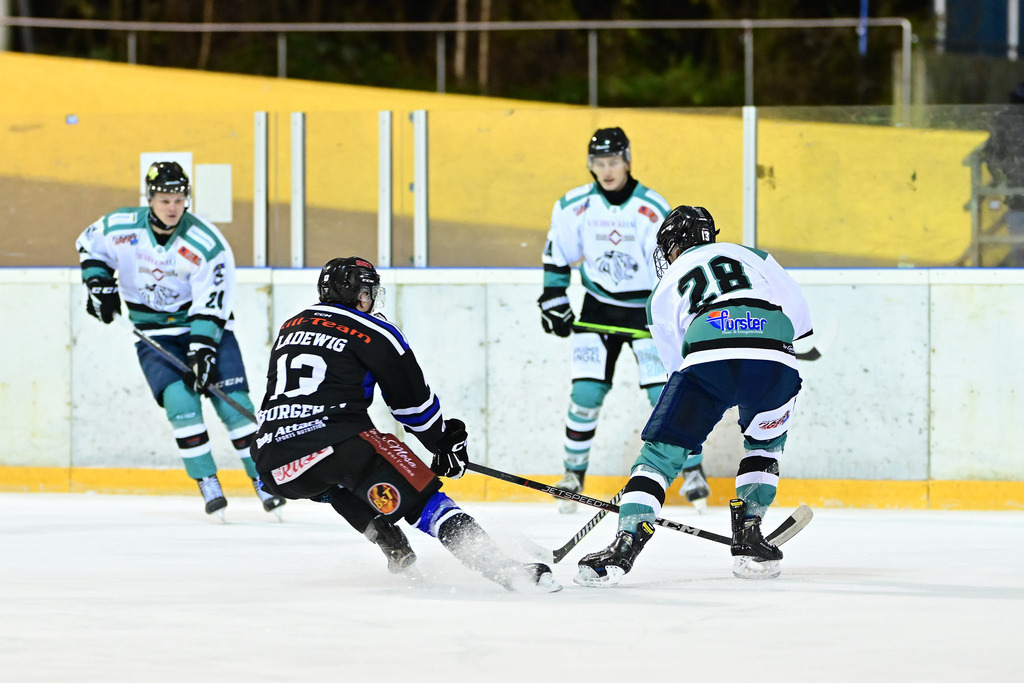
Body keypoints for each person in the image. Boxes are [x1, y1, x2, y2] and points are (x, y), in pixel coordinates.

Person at [250, 256, 562, 592]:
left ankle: (388, 539)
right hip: (337, 445)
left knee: (340, 483)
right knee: (423, 497)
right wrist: (444, 444)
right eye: (368, 291)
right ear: (359, 293)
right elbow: (413, 407)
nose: (371, 298)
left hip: (272, 463)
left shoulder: (292, 325)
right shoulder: (375, 332)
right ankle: (505, 569)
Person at [574, 205, 812, 586]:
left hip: (709, 356)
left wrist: (679, 436)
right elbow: (800, 319)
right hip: (775, 357)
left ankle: (626, 542)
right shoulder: (752, 256)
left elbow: (677, 370)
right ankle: (749, 532)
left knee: (658, 457)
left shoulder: (663, 288)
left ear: (673, 245)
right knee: (765, 445)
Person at [75, 161, 285, 518]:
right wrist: (98, 284)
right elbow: (89, 246)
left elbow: (212, 302)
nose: (172, 207)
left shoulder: (205, 242)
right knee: (180, 404)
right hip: (153, 332)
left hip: (205, 328)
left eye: (179, 199)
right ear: (150, 198)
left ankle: (263, 479)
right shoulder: (121, 227)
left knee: (234, 404)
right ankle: (207, 481)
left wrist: (202, 350)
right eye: (164, 200)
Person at [538, 126, 710, 513]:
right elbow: (557, 252)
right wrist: (553, 296)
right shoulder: (573, 205)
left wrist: (679, 311)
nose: (606, 170)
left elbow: (674, 263)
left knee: (664, 395)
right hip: (597, 307)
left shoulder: (652, 206)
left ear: (627, 160)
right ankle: (573, 474)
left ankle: (693, 470)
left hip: (646, 309)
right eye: (599, 162)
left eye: (613, 161)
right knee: (585, 395)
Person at [980, 81, 1024, 266]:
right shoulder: (1005, 120)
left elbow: (991, 155)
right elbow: (991, 155)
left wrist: (1003, 179)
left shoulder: (1004, 118)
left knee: (1020, 254)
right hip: (1017, 201)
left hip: (1016, 200)